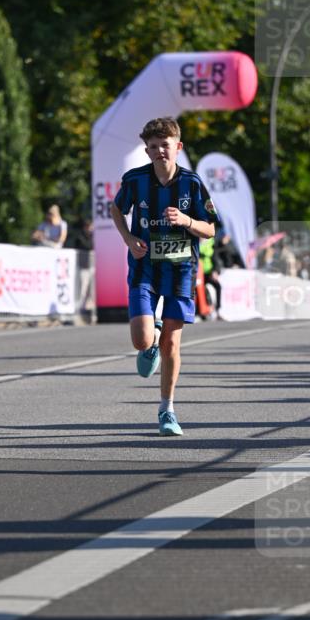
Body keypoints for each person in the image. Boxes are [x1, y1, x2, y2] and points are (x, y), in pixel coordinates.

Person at [110, 117, 219, 436]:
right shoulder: (135, 180)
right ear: (147, 151)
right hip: (145, 266)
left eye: (165, 145)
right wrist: (129, 239)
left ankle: (166, 410)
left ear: (178, 147)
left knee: (173, 342)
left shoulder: (192, 183)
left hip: (182, 270)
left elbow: (210, 228)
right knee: (141, 340)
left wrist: (186, 220)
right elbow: (117, 210)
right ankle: (151, 338)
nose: (160, 151)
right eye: (153, 146)